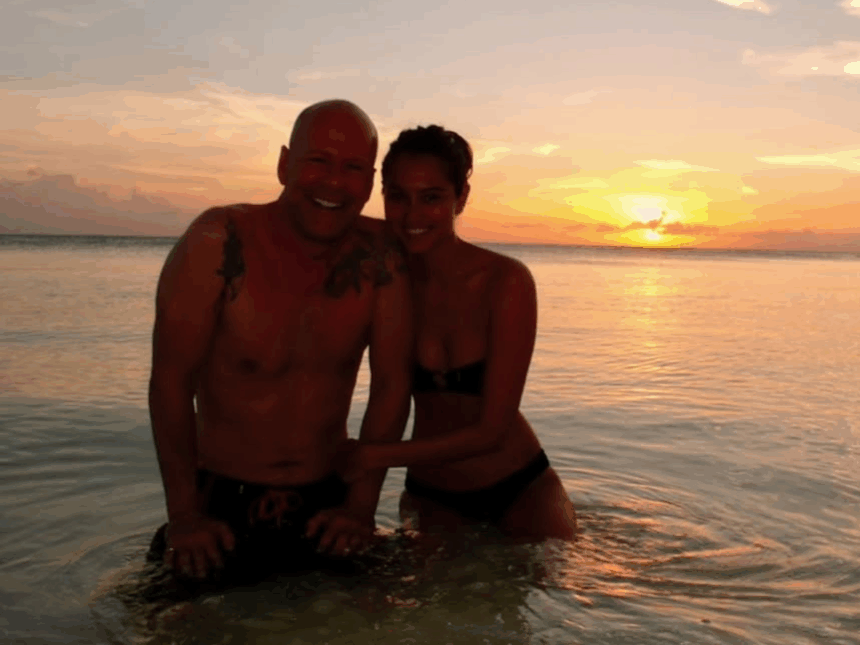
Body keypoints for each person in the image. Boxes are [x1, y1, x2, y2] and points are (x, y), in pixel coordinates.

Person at [147, 99, 412, 584]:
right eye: (318, 161)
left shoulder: (380, 259)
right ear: (284, 164)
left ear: (370, 182)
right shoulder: (217, 242)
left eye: (353, 168)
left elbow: (392, 385)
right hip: (219, 501)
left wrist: (360, 507)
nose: (334, 183)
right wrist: (183, 516)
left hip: (329, 500)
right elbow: (170, 381)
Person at [343, 125, 577, 541]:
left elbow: (492, 430)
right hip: (433, 495)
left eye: (431, 198)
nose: (413, 215)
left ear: (461, 197)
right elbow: (321, 218)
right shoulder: (387, 282)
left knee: (566, 580)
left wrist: (373, 456)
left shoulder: (504, 281)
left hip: (520, 487)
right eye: (398, 197)